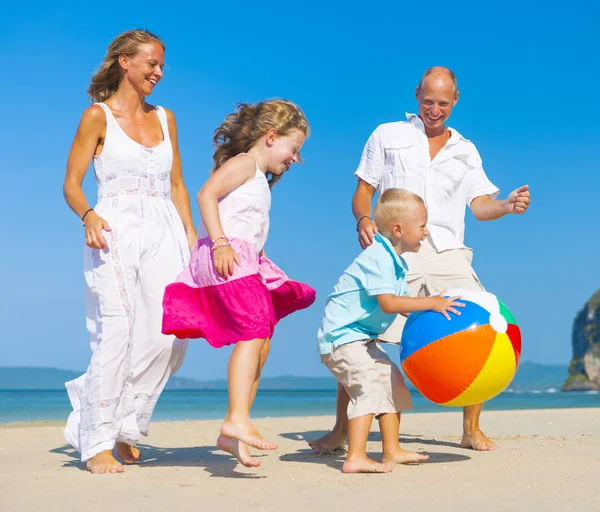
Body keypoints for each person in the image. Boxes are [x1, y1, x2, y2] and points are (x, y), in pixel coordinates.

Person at [310, 66, 531, 455]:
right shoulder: (387, 134)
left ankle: (470, 428)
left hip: (448, 251)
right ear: (416, 95)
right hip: (398, 251)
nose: (434, 110)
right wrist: (363, 219)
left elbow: (479, 206)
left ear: (456, 100)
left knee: (480, 324)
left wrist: (507, 206)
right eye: (428, 101)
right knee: (364, 336)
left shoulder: (466, 149)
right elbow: (363, 192)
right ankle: (342, 429)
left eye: (443, 103)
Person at [62, 29, 197, 474]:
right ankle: (98, 438)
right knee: (117, 330)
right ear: (125, 62)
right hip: (115, 227)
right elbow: (72, 184)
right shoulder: (96, 117)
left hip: (166, 228)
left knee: (169, 332)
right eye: (151, 63)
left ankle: (125, 422)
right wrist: (89, 217)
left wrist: (193, 240)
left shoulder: (166, 118)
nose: (158, 72)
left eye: (162, 65)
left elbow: (177, 184)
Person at [162, 99, 316, 468]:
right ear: (271, 136)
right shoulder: (245, 164)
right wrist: (220, 242)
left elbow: (245, 222)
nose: (295, 159)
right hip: (224, 254)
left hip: (244, 258)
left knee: (262, 339)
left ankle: (234, 431)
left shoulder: (259, 178)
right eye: (293, 149)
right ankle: (236, 418)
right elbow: (206, 194)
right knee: (253, 330)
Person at [318, 189, 463, 473]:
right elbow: (388, 304)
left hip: (362, 339)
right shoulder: (378, 257)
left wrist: (437, 312)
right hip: (343, 339)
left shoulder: (394, 261)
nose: (426, 231)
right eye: (422, 226)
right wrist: (431, 302)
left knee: (392, 380)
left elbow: (404, 306)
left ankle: (391, 450)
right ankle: (355, 456)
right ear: (399, 229)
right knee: (368, 386)